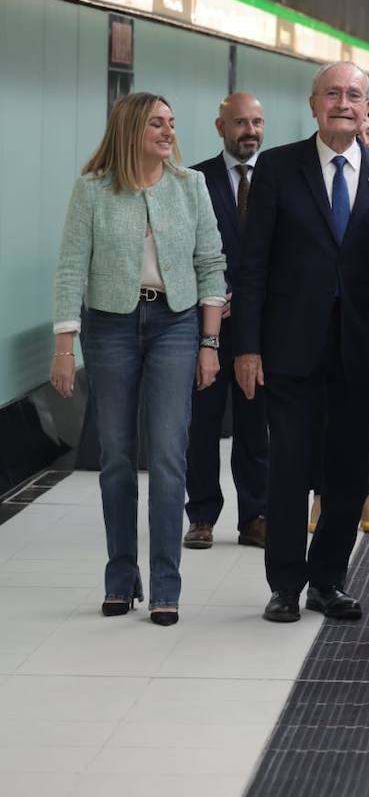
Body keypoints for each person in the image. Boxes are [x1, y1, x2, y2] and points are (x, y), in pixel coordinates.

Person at [231, 62, 369, 624]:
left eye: (354, 95)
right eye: (333, 93)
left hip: (360, 350)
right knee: (290, 469)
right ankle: (285, 583)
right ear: (312, 104)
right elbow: (252, 266)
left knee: (347, 473)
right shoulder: (279, 168)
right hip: (290, 349)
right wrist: (247, 346)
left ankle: (329, 581)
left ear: (367, 106)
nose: (343, 103)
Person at [51, 93, 225, 625]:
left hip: (175, 323)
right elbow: (70, 267)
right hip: (110, 327)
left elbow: (211, 264)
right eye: (157, 123)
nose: (168, 131)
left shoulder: (189, 186)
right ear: (131, 128)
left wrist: (209, 342)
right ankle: (121, 576)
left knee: (170, 456)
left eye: (171, 123)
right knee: (118, 459)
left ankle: (167, 584)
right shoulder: (93, 190)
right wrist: (64, 346)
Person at [184, 92, 269, 551]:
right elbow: (184, 251)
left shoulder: (277, 177)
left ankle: (255, 514)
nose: (249, 131)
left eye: (256, 122)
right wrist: (211, 299)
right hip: (208, 327)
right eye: (240, 123)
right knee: (203, 423)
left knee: (257, 423)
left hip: (261, 327)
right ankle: (201, 515)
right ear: (221, 127)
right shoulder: (195, 179)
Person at [309, 102, 369, 538]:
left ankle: (363, 492)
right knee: (316, 417)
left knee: (361, 421)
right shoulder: (297, 169)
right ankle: (320, 491)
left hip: (363, 326)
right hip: (310, 327)